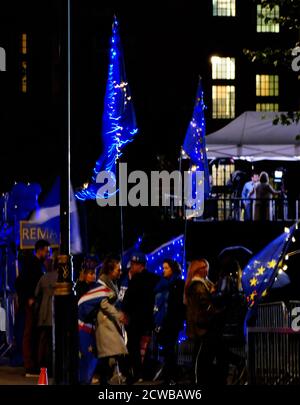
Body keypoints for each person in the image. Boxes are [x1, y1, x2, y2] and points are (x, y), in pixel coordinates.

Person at [184, 259, 224, 385]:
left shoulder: (203, 283)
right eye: (203, 267)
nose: (206, 270)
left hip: (204, 325)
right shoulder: (197, 285)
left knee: (204, 356)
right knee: (200, 359)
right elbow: (204, 303)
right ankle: (197, 381)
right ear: (197, 270)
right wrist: (213, 298)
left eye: (207, 267)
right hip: (201, 326)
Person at [15, 239, 51, 376]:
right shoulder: (32, 264)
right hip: (32, 303)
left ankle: (33, 363)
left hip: (36, 303)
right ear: (40, 250)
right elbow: (20, 282)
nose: (48, 254)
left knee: (33, 332)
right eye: (46, 251)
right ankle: (29, 365)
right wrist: (28, 298)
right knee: (29, 332)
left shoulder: (39, 265)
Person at [122, 252, 159, 382]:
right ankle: (146, 373)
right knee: (147, 347)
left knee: (133, 347)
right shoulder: (154, 278)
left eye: (133, 264)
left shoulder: (136, 279)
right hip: (148, 319)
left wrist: (124, 311)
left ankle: (137, 374)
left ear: (140, 265)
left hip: (135, 320)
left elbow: (128, 300)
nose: (131, 266)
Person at [95, 256, 128, 384]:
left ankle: (107, 378)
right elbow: (104, 303)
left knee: (110, 352)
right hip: (105, 321)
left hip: (111, 321)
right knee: (110, 351)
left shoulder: (112, 282)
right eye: (117, 270)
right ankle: (108, 378)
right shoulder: (102, 283)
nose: (120, 272)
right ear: (110, 271)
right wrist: (118, 314)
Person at [153, 259, 185, 384]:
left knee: (170, 350)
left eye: (166, 268)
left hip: (172, 322)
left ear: (173, 269)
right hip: (162, 321)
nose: (163, 270)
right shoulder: (161, 284)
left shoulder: (178, 283)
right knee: (167, 350)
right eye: (163, 267)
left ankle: (171, 377)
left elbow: (178, 306)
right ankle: (169, 376)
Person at [34, 256, 58, 375]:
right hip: (56, 311)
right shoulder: (61, 277)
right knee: (55, 340)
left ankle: (42, 366)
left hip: (44, 311)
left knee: (43, 340)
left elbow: (36, 294)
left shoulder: (43, 277)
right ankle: (54, 366)